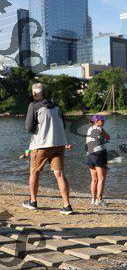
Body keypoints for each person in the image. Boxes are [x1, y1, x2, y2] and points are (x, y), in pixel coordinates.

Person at [23, 82, 73, 214]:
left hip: (41, 145)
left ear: (34, 93)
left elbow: (28, 128)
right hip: (59, 144)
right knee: (60, 174)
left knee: (34, 172)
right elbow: (63, 125)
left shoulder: (33, 106)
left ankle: (33, 201)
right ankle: (67, 205)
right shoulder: (57, 106)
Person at [86, 114, 110, 207]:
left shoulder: (89, 129)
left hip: (89, 155)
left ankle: (93, 199)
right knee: (101, 178)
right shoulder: (100, 128)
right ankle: (99, 200)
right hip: (99, 155)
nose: (104, 122)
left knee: (94, 179)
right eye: (102, 120)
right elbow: (108, 137)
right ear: (96, 121)